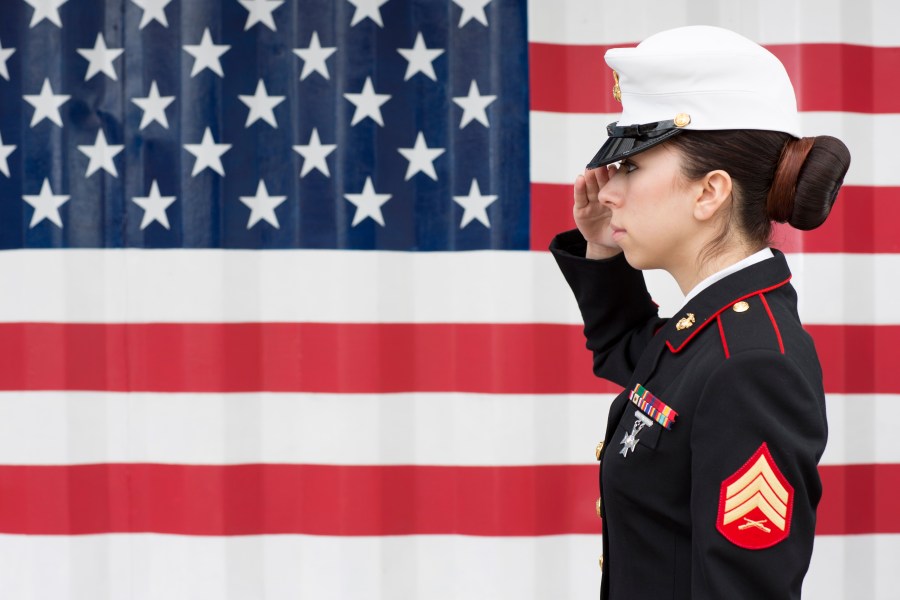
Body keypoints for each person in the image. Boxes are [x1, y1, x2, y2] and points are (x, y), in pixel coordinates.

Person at [549, 26, 850, 599]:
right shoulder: (713, 331)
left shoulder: (751, 366)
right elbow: (631, 352)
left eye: (631, 167)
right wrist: (602, 250)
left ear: (709, 192)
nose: (607, 192)